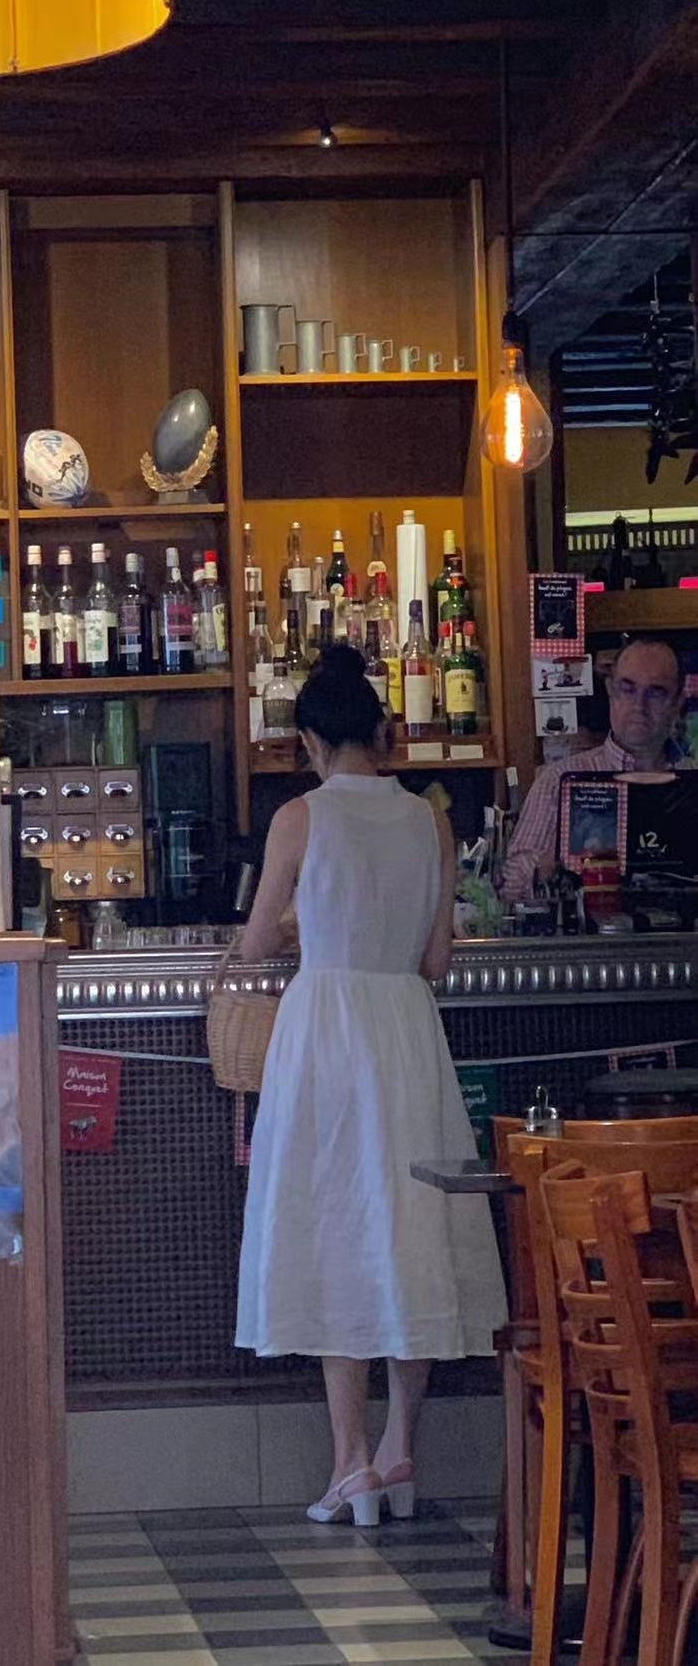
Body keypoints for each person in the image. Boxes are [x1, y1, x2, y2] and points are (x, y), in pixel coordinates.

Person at [235, 644, 506, 1526]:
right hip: (404, 1029)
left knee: (333, 1225)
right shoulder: (430, 820)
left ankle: (347, 1461)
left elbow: (254, 943)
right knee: (410, 1226)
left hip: (326, 1031)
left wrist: (297, 921)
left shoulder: (300, 817)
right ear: (382, 733)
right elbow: (435, 960)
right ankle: (398, 1453)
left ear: (311, 740)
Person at [502, 636, 690, 900]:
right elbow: (511, 885)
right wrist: (550, 869)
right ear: (611, 692)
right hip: (588, 925)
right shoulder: (558, 780)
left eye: (656, 692)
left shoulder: (692, 781)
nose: (639, 706)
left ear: (678, 702)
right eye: (628, 689)